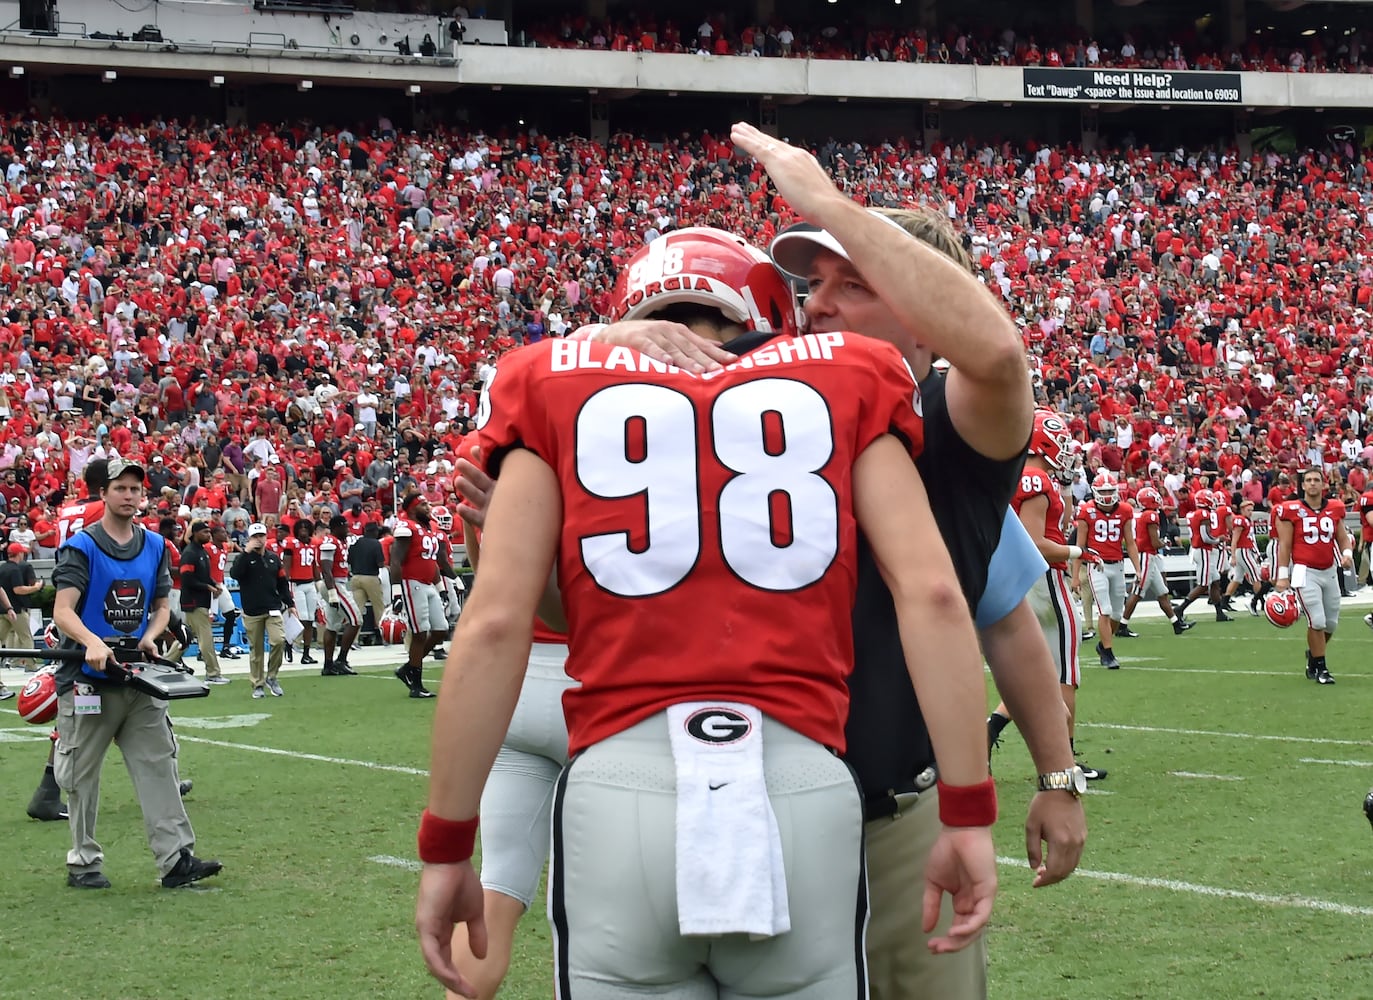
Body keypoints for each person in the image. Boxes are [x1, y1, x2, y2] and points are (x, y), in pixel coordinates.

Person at [417, 227, 997, 998]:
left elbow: (493, 624)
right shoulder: (854, 372)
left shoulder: (544, 376)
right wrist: (965, 809)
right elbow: (931, 593)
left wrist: (447, 844)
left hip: (619, 785)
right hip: (801, 779)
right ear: (763, 305)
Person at [50, 457, 222, 889]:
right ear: (103, 494)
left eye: (134, 489)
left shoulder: (154, 546)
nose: (129, 496)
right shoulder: (81, 547)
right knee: (82, 777)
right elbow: (63, 611)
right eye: (120, 488)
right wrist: (91, 641)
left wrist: (151, 635)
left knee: (159, 765)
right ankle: (83, 862)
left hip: (138, 677)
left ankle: (175, 859)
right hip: (88, 681)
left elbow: (162, 606)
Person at [991, 410, 1107, 781]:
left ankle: (989, 730)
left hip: (1020, 580)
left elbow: (1058, 522)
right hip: (1045, 580)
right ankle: (1066, 760)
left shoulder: (1020, 475)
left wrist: (1068, 486)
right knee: (1064, 675)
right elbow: (1037, 543)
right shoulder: (1035, 479)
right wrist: (1079, 552)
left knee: (1039, 673)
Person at [27, 458, 113, 823]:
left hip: (72, 600)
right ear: (107, 486)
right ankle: (51, 788)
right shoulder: (100, 511)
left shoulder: (70, 509)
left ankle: (164, 772)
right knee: (86, 701)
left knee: (88, 701)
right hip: (93, 608)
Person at [1273, 468, 1353, 685]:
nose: (1312, 483)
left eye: (1316, 480)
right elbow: (1285, 545)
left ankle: (1313, 655)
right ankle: (1321, 667)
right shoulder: (1292, 509)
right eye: (1308, 480)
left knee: (1331, 624)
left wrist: (1346, 554)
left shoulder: (1335, 508)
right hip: (1304, 570)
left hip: (1329, 569)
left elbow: (1343, 537)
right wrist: (1282, 575)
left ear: (1323, 484)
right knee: (1316, 620)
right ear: (1303, 485)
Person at [1072, 471, 1140, 665]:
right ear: (1095, 491)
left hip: (1117, 564)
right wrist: (1075, 576)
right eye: (1104, 491)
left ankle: (1103, 644)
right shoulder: (1087, 511)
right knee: (1106, 609)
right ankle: (1108, 654)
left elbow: (1131, 542)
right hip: (1097, 565)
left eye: (1110, 490)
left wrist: (1138, 568)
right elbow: (1080, 547)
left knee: (1118, 614)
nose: (1108, 495)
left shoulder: (1125, 510)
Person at [390, 493, 448, 698]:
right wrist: (396, 592)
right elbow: (395, 560)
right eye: (424, 504)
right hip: (411, 583)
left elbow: (432, 563)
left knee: (441, 629)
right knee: (420, 632)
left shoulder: (427, 529)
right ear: (413, 508)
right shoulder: (406, 526)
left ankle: (408, 668)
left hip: (427, 584)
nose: (429, 507)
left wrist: (441, 588)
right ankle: (416, 684)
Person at [1119, 486, 1194, 633]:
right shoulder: (1150, 515)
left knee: (1162, 593)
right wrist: (1164, 543)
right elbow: (1154, 542)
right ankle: (1122, 625)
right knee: (1137, 592)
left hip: (1149, 556)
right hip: (1147, 556)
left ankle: (1176, 624)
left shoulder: (1143, 514)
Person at [232, 522, 290, 698]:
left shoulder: (273, 558)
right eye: (255, 537)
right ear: (249, 539)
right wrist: (246, 552)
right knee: (256, 650)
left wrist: (291, 604)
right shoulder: (244, 558)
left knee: (278, 640)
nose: (259, 540)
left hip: (272, 607)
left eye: (261, 536)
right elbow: (235, 574)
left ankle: (272, 676)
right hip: (252, 610)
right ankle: (257, 683)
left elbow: (282, 583)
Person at [179, 520, 229, 684]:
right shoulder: (190, 553)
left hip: (200, 601)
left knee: (186, 637)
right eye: (205, 532)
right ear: (195, 533)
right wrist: (207, 586)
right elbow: (186, 579)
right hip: (194, 602)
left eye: (209, 532)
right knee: (206, 638)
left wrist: (214, 583)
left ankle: (165, 662)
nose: (208, 535)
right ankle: (213, 673)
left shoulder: (201, 551)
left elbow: (203, 575)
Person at [318, 516, 361, 676]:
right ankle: (341, 660)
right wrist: (332, 593)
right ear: (336, 527)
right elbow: (326, 568)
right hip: (334, 584)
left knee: (332, 626)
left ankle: (328, 665)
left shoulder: (341, 542)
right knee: (356, 620)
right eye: (345, 526)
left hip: (338, 583)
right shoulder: (330, 542)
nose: (347, 529)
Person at [282, 518, 322, 665]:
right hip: (296, 584)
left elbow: (315, 565)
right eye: (301, 528)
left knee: (310, 619)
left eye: (306, 528)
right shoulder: (291, 543)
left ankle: (306, 653)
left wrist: (319, 583)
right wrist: (284, 586)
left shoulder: (314, 544)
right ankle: (289, 642)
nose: (303, 530)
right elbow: (286, 566)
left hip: (310, 584)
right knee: (302, 618)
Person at [0, 541, 41, 672]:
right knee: (26, 637)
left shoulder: (2, 568)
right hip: (16, 609)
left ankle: (13, 661)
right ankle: (31, 665)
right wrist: (35, 588)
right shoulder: (15, 569)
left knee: (2, 637)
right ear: (19, 554)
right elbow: (18, 589)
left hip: (2, 610)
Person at [348, 522, 387, 646]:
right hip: (371, 577)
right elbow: (380, 563)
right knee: (379, 608)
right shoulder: (376, 544)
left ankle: (353, 640)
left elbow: (349, 559)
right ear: (374, 532)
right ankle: (385, 637)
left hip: (356, 577)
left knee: (357, 611)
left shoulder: (356, 543)